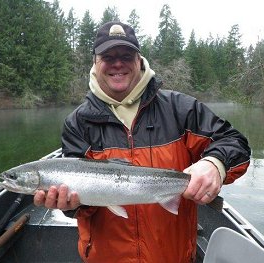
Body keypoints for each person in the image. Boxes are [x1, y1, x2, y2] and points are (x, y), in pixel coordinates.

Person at [34, 21, 251, 263]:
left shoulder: (181, 109)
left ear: (139, 60)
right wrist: (70, 206)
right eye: (108, 56)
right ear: (95, 63)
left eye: (126, 55)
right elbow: (85, 206)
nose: (118, 63)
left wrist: (215, 164)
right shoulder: (77, 123)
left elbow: (235, 143)